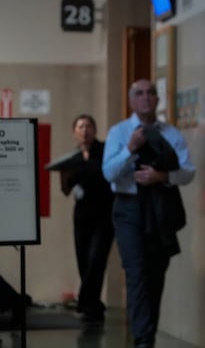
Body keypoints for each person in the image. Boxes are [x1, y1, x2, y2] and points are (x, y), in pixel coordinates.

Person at [102, 79, 195, 348]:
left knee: (155, 275)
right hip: (129, 210)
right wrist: (130, 149)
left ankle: (147, 337)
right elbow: (108, 173)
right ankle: (143, 341)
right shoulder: (119, 132)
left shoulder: (171, 133)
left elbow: (188, 171)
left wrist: (163, 175)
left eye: (151, 93)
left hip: (160, 210)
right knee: (137, 272)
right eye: (140, 94)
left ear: (157, 100)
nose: (146, 98)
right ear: (132, 101)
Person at [60, 114, 114, 325]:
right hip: (82, 216)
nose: (85, 130)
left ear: (95, 129)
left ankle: (87, 303)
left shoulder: (105, 151)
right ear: (74, 132)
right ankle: (94, 305)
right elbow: (66, 190)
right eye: (80, 127)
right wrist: (62, 176)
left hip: (104, 214)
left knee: (96, 260)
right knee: (83, 260)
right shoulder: (71, 159)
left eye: (89, 126)